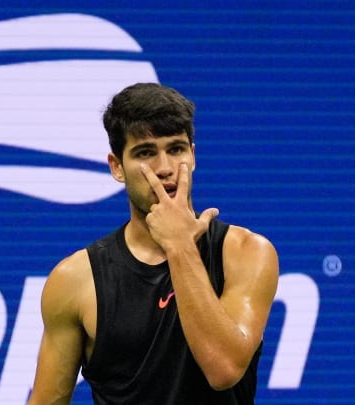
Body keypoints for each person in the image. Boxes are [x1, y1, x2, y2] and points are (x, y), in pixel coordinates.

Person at [27, 83, 279, 404]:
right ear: (117, 167)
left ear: (193, 155)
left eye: (176, 149)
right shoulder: (76, 280)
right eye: (145, 153)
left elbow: (224, 368)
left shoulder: (246, 253)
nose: (164, 169)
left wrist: (179, 246)